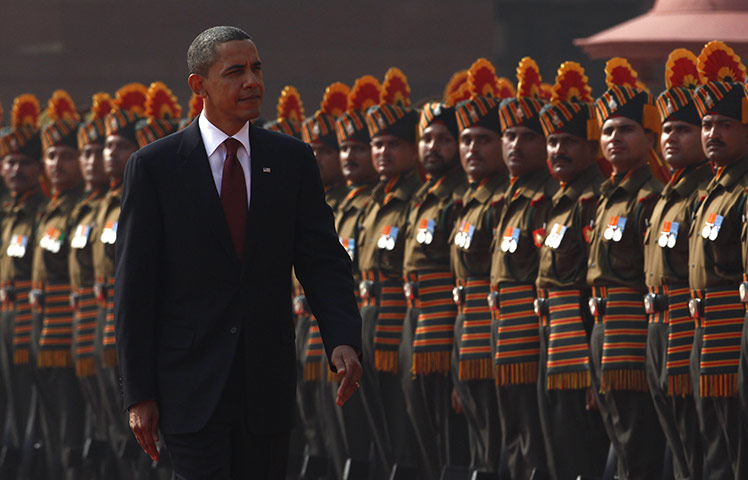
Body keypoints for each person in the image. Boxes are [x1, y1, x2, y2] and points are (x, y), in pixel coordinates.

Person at [116, 26, 362, 479]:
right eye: (235, 72)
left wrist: (342, 338)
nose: (252, 81)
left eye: (256, 68)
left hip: (264, 388)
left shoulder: (291, 160)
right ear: (199, 85)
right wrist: (138, 393)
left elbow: (323, 261)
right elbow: (134, 290)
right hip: (189, 388)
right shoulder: (155, 167)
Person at [587, 57, 669, 480]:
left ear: (650, 136)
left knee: (640, 452)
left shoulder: (650, 198)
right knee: (619, 447)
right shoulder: (607, 198)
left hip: (634, 339)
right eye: (607, 130)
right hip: (603, 338)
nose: (614, 138)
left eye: (626, 129)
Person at [535, 61, 610, 480]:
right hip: (553, 346)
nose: (558, 150)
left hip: (581, 351)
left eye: (569, 142)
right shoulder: (560, 201)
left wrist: (591, 370)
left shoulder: (594, 200)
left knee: (584, 456)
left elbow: (592, 291)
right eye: (552, 141)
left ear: (590, 147)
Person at [644, 48, 710, 480]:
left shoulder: (704, 194)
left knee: (705, 448)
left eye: (683, 129)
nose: (671, 138)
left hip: (696, 330)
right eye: (666, 129)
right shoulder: (667, 195)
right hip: (657, 330)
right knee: (678, 450)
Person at [357, 66, 422, 477]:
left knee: (406, 435)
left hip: (399, 327)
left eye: (393, 144)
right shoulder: (373, 203)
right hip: (366, 325)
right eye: (376, 144)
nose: (382, 152)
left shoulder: (415, 199)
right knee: (378, 435)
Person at [492, 56, 554, 480]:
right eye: (509, 135)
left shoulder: (549, 198)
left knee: (539, 441)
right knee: (510, 440)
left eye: (528, 136)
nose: (515, 145)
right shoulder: (506, 199)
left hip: (536, 339)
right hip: (499, 335)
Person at [688, 41, 748, 479]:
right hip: (704, 336)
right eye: (706, 124)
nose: (712, 134)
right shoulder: (711, 192)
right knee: (712, 455)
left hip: (733, 333)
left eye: (725, 124)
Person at [449, 57, 511, 476]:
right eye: (466, 139)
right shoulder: (466, 204)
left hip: (504, 336)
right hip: (467, 333)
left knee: (509, 445)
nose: (472, 149)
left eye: (485, 140)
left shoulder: (505, 203)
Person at [401, 99, 465, 480]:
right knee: (422, 434)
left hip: (443, 332)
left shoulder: (459, 198)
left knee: (449, 440)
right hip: (415, 326)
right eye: (426, 138)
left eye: (444, 139)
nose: (432, 147)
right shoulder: (424, 196)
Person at [33, 90, 85, 480]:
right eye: (51, 155)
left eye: (66, 155)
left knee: (76, 421)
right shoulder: (47, 210)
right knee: (47, 418)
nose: (57, 163)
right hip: (40, 330)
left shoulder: (80, 209)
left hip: (74, 328)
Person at [0, 94, 47, 479]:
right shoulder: (8, 212)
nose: (15, 170)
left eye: (24, 162)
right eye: (9, 162)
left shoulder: (44, 210)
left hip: (34, 321)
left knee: (33, 403)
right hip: (5, 317)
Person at [69, 92, 115, 477]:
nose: (98, 159)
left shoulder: (130, 203)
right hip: (89, 326)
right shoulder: (93, 210)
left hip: (118, 325)